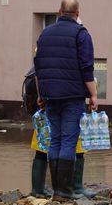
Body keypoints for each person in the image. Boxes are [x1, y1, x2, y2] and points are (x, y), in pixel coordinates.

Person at [34, 0, 97, 200]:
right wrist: (93, 95)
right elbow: (87, 67)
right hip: (72, 95)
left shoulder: (45, 33)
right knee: (69, 141)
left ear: (59, 11)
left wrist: (40, 94)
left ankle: (55, 190)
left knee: (55, 140)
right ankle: (65, 191)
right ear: (77, 13)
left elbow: (38, 68)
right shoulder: (81, 34)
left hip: (50, 94)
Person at [26, 65, 96, 198]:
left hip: (47, 102)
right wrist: (93, 93)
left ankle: (39, 188)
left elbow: (38, 74)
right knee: (75, 145)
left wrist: (41, 95)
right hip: (69, 102)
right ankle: (72, 187)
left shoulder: (43, 51)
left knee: (42, 145)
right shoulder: (75, 51)